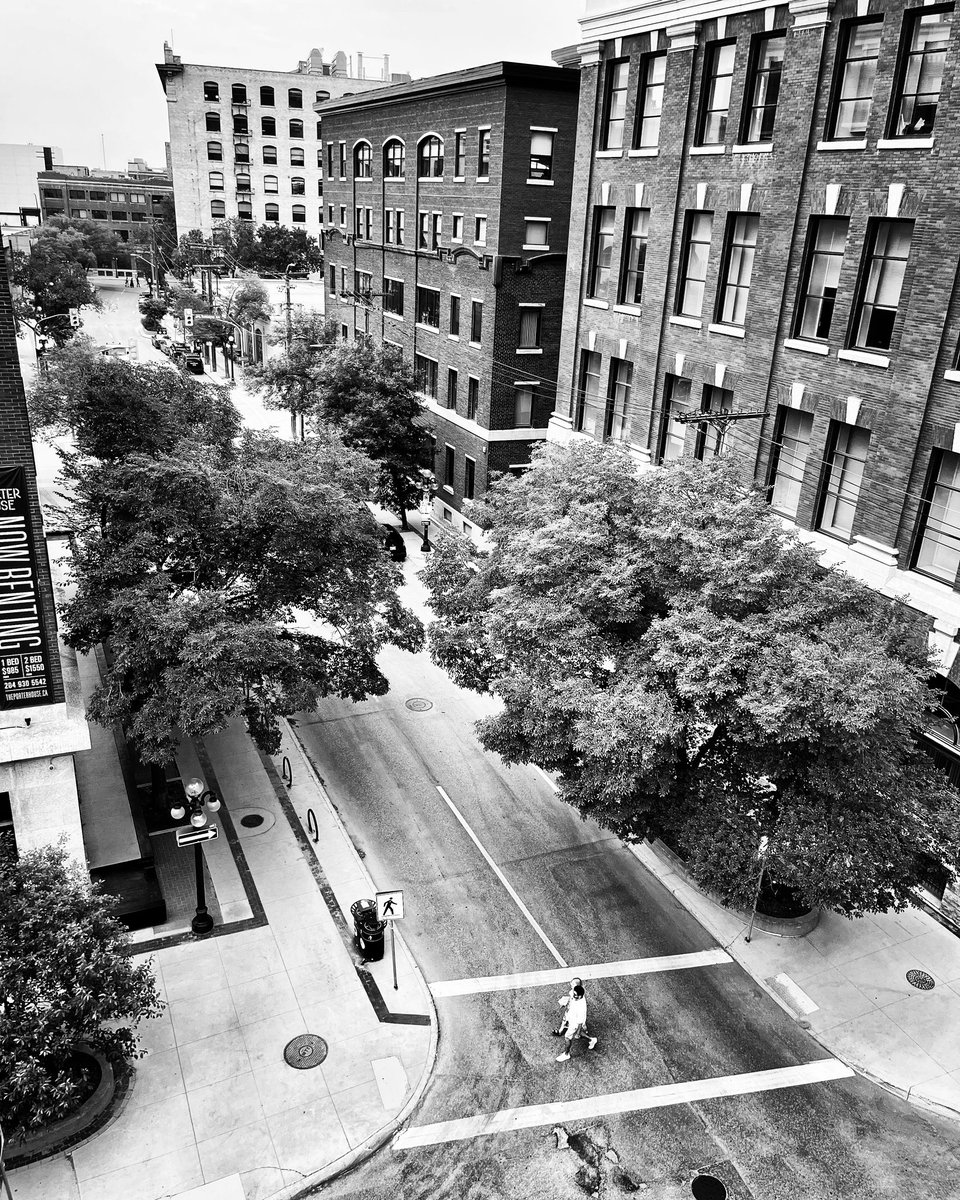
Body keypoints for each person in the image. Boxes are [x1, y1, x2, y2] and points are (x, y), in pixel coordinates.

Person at [556, 981, 597, 1062]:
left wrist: (578, 1033)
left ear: (581, 996)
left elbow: (580, 1023)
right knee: (575, 1034)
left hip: (574, 1024)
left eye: (576, 995)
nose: (574, 996)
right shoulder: (575, 993)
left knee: (567, 1037)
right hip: (571, 1018)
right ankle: (591, 1040)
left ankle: (566, 1054)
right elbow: (571, 998)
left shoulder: (581, 1007)